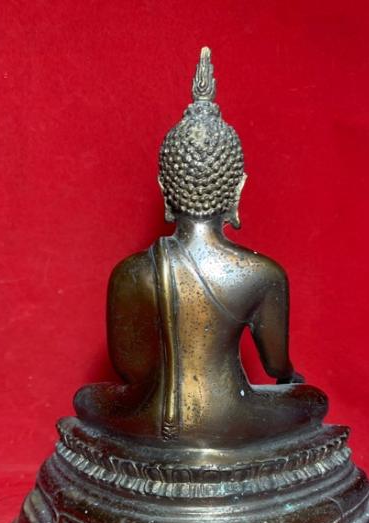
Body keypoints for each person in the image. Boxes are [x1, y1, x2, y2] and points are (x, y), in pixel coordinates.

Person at [74, 48, 327, 446]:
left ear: (165, 188)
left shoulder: (131, 273)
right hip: (232, 417)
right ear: (237, 188)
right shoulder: (261, 274)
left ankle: (162, 459)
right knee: (312, 400)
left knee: (87, 397)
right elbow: (277, 367)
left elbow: (129, 369)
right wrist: (290, 381)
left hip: (148, 417)